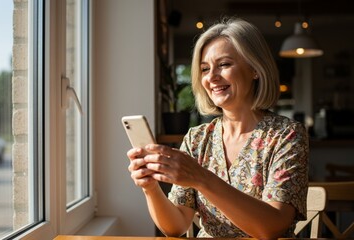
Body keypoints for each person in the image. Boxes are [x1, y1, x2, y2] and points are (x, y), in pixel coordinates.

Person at [127, 17, 309, 239]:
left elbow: (272, 228)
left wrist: (202, 178)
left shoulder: (286, 135)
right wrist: (151, 188)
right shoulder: (197, 139)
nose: (211, 77)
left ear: (255, 69)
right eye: (204, 69)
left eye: (223, 64)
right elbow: (175, 226)